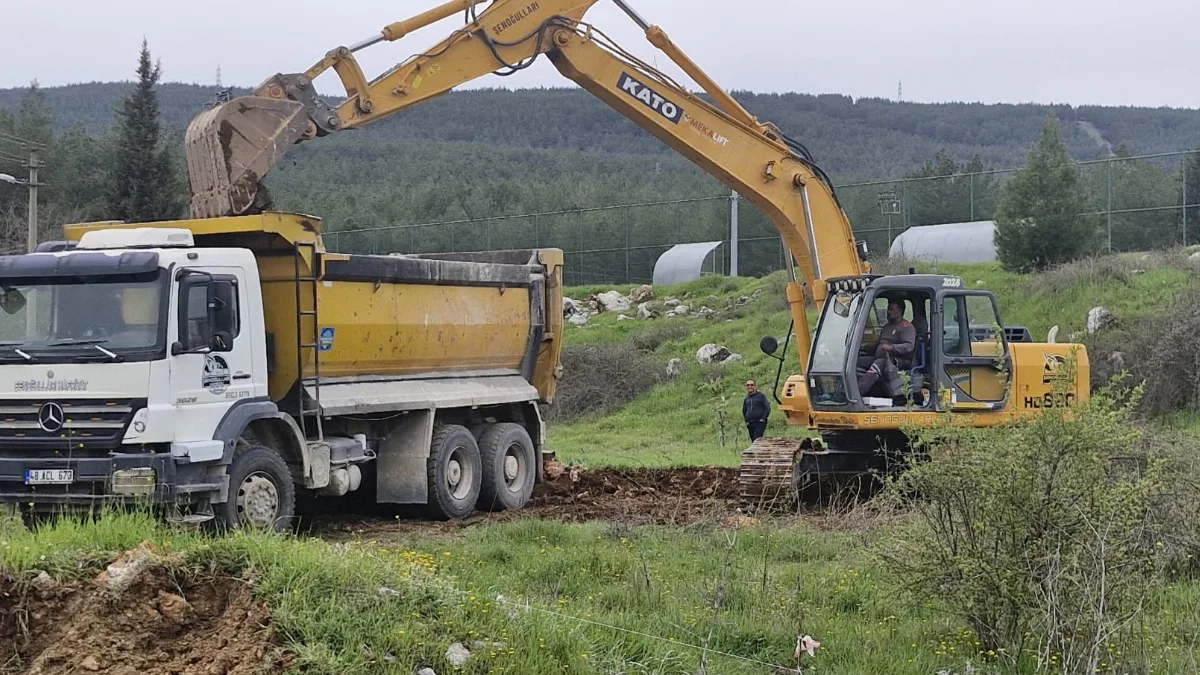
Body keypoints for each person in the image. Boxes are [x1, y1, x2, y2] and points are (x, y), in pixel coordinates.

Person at [857, 300, 916, 397]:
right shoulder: (887, 327)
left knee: (880, 363)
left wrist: (892, 347)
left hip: (900, 360)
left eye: (892, 309)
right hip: (881, 356)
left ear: (900, 311)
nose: (888, 312)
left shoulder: (907, 327)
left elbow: (909, 346)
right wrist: (862, 348)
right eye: (888, 309)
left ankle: (859, 391)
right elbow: (879, 345)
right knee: (858, 361)